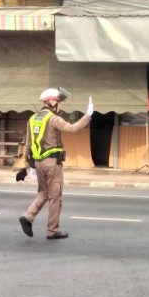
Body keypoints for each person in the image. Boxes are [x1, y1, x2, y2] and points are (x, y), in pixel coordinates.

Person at [17, 88, 94, 240]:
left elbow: (28, 144)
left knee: (43, 193)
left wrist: (25, 166)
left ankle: (27, 217)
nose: (60, 105)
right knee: (55, 197)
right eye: (59, 102)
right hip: (52, 164)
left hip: (38, 163)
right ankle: (52, 231)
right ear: (52, 101)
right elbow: (72, 129)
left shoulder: (33, 119)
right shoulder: (53, 119)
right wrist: (88, 115)